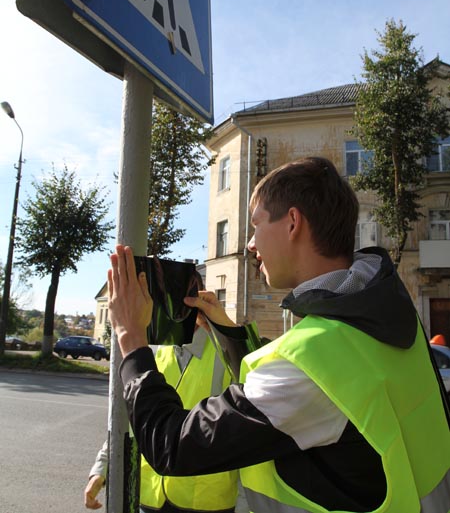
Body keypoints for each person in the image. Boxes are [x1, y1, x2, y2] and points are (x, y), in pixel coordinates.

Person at [108, 157, 450, 513]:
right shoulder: (384, 310)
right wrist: (226, 330)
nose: (251, 244)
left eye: (255, 226)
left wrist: (131, 340)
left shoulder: (316, 360)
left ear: (292, 223)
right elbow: (279, 401)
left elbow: (172, 445)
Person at [85, 312, 249, 512]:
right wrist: (102, 467)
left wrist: (245, 506)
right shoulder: (150, 353)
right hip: (149, 496)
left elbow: (245, 438)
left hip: (205, 500)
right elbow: (131, 417)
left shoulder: (226, 355)